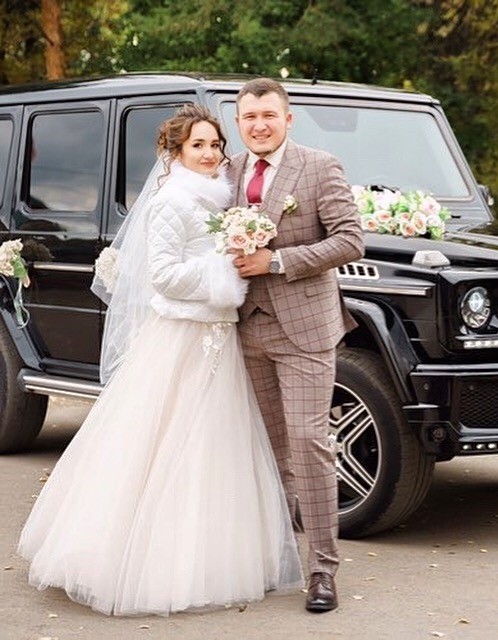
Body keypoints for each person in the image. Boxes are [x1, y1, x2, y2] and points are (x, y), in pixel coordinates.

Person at [17, 105, 303, 616]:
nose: (210, 154)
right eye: (198, 145)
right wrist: (226, 272)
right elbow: (165, 275)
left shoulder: (221, 198)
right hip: (182, 337)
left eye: (215, 145)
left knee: (215, 448)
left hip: (218, 336)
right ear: (175, 153)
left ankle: (214, 559)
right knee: (163, 445)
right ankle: (138, 564)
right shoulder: (172, 200)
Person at [228, 78, 365, 613]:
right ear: (238, 123)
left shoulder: (319, 166)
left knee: (309, 443)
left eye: (268, 115)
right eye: (249, 117)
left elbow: (349, 240)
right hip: (245, 326)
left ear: (288, 118)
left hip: (305, 329)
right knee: (270, 447)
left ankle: (323, 570)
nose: (259, 125)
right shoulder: (229, 171)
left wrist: (277, 261)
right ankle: (282, 556)